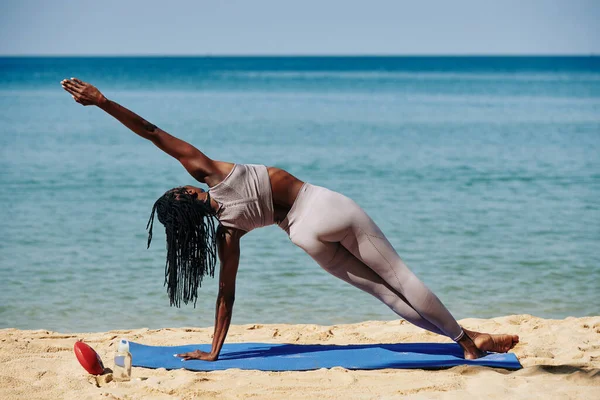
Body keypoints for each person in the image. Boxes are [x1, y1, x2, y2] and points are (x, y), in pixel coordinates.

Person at [61, 78, 519, 362]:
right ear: (186, 194)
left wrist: (215, 350)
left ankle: (469, 338)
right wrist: (102, 101)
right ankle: (463, 338)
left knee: (385, 294)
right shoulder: (207, 172)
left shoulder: (227, 233)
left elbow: (226, 295)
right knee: (398, 275)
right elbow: (151, 132)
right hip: (320, 206)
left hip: (303, 237)